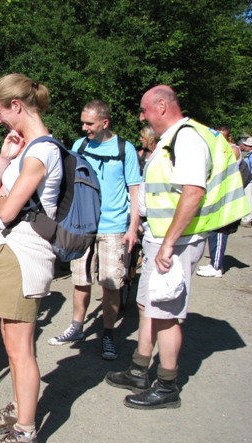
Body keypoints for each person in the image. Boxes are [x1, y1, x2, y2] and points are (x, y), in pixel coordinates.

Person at [106, 85, 248, 409]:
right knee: (147, 305)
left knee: (167, 313)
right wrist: (140, 230)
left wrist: (169, 243)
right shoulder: (169, 141)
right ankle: (140, 369)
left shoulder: (186, 138)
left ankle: (167, 385)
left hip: (177, 241)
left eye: (143, 110)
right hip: (160, 237)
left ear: (161, 105)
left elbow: (193, 192)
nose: (141, 116)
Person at [0, 73, 62, 443]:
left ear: (16, 106)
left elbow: (5, 210)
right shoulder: (24, 150)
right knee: (10, 341)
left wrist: (0, 206)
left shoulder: (43, 151)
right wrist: (6, 158)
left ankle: (26, 433)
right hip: (10, 251)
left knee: (20, 347)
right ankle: (18, 406)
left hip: (26, 255)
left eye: (0, 113)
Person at [48, 99, 141, 361]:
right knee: (80, 279)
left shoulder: (126, 149)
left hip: (114, 226)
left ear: (105, 122)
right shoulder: (80, 145)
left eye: (89, 123)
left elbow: (135, 191)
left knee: (110, 282)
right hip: (83, 224)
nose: (84, 127)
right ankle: (77, 327)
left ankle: (108, 334)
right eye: (83, 122)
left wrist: (133, 227)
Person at [197, 126, 248, 278]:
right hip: (218, 196)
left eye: (221, 135)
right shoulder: (221, 148)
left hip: (227, 198)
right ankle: (214, 262)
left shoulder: (232, 149)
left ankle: (217, 266)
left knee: (220, 230)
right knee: (213, 229)